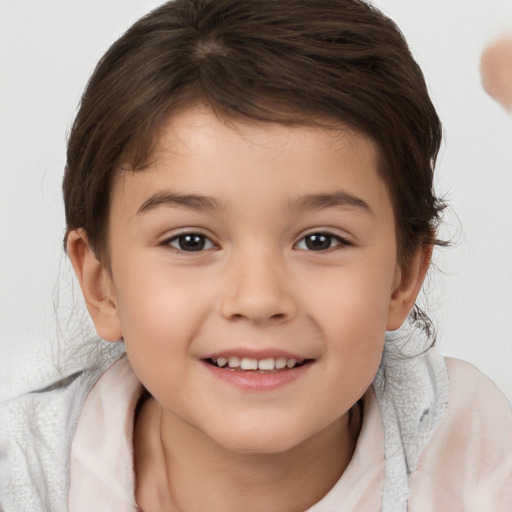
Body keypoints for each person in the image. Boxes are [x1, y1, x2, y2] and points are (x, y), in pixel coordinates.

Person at [1, 1, 510, 511]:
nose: (259, 299)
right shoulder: (24, 474)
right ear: (101, 283)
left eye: (320, 240)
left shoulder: (471, 457)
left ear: (403, 276)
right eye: (190, 241)